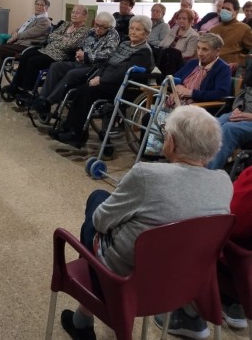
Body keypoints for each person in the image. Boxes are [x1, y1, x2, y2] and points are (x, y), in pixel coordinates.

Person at [60, 106, 232, 340]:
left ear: (171, 142)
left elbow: (100, 222)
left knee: (97, 199)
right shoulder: (224, 183)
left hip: (125, 281)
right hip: (182, 284)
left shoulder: (146, 175)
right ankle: (83, 317)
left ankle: (86, 315)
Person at [155, 165, 252, 337]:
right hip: (242, 272)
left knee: (196, 228)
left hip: (237, 272)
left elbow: (234, 217)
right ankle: (231, 303)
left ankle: (189, 315)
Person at [53, 16, 154, 149]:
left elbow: (124, 71)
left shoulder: (144, 51)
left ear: (146, 33)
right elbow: (108, 63)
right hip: (110, 81)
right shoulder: (124, 44)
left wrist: (101, 79)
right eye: (131, 28)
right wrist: (98, 76)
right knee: (81, 89)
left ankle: (77, 134)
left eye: (138, 29)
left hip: (126, 87)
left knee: (87, 92)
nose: (133, 32)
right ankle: (69, 128)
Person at [142, 34, 231, 156]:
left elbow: (221, 93)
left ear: (217, 51)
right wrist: (176, 87)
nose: (200, 53)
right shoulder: (192, 63)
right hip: (177, 104)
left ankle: (159, 155)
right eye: (198, 48)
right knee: (149, 117)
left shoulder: (222, 68)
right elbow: (174, 78)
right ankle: (149, 155)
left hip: (199, 109)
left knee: (159, 120)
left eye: (205, 49)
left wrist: (192, 93)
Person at [31, 12, 119, 117]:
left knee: (72, 74)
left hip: (95, 68)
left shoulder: (113, 35)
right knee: (55, 66)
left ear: (109, 27)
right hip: (80, 62)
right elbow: (80, 45)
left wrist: (85, 56)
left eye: (102, 26)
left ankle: (49, 101)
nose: (97, 28)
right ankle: (42, 98)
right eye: (96, 24)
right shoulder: (91, 31)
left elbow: (107, 55)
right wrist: (78, 52)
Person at [2, 5, 88, 97]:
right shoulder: (66, 24)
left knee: (33, 61)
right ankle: (15, 85)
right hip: (46, 50)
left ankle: (27, 90)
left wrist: (58, 40)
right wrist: (63, 38)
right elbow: (51, 36)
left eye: (77, 13)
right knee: (26, 55)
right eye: (73, 12)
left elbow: (70, 45)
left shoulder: (84, 31)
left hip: (59, 56)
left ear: (85, 16)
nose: (74, 15)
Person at [0, 0, 51, 94]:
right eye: (37, 4)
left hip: (27, 47)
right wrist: (15, 33)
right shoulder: (33, 18)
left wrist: (16, 36)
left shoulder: (44, 21)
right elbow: (20, 29)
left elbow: (29, 33)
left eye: (42, 5)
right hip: (20, 43)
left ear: (46, 8)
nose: (39, 7)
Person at [207, 60, 252, 171]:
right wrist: (237, 108)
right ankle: (194, 167)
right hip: (242, 113)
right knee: (213, 123)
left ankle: (208, 173)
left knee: (228, 129)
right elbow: (242, 93)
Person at [211, 0, 252, 68]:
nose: (224, 11)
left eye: (228, 9)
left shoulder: (244, 29)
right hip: (211, 65)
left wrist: (240, 62)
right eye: (223, 8)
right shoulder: (214, 29)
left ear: (236, 12)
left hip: (230, 67)